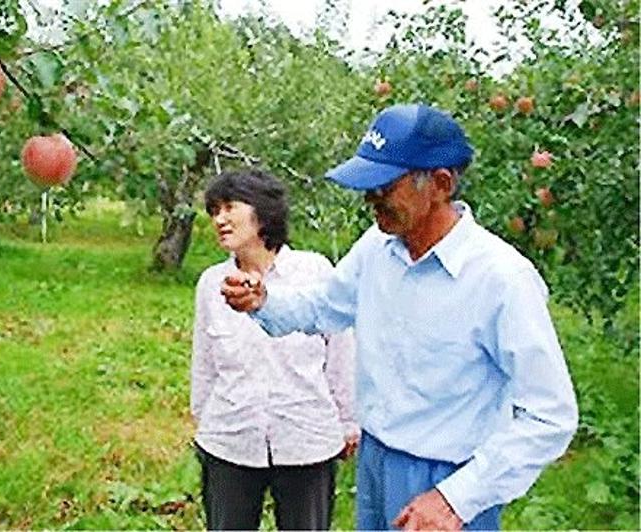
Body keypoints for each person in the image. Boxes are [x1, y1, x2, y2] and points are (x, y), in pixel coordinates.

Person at [220, 104, 578, 530]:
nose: (371, 199)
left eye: (384, 187)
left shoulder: (501, 279)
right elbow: (325, 306)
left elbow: (550, 414)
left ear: (440, 184)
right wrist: (264, 302)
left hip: (448, 475)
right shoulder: (378, 248)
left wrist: (456, 499)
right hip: (376, 459)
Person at [191, 169, 359, 530]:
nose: (219, 219)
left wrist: (347, 421)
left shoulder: (314, 272)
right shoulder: (211, 284)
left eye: (229, 207)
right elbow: (204, 362)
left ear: (262, 210)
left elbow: (341, 352)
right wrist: (206, 420)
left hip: (306, 437)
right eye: (213, 211)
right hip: (231, 438)